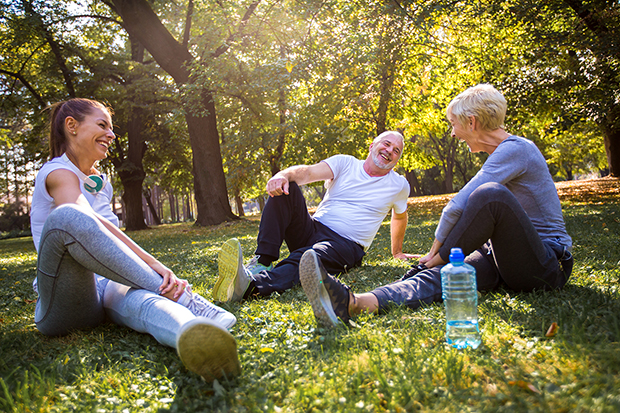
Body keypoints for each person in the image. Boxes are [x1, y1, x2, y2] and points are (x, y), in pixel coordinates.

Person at [299, 84, 574, 328]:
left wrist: (436, 253)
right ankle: (354, 303)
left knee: (490, 195)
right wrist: (436, 263)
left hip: (546, 265)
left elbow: (458, 205)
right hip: (503, 257)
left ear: (472, 122)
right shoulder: (502, 153)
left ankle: (435, 262)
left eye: (453, 123)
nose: (453, 133)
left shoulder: (517, 149)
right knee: (443, 275)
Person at [30, 98, 240, 382]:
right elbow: (91, 223)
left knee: (141, 302)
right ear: (72, 126)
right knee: (68, 216)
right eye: (102, 125)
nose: (112, 135)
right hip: (65, 301)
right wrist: (155, 266)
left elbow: (108, 244)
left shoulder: (100, 180)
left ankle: (193, 332)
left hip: (104, 288)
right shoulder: (57, 173)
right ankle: (187, 300)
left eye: (112, 128)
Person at [212, 131, 414, 303]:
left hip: (346, 245)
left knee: (310, 258)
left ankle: (249, 286)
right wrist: (282, 174)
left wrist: (397, 251)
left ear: (397, 159)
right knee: (287, 186)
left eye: (397, 151)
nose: (390, 151)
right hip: (313, 228)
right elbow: (307, 173)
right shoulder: (345, 163)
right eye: (386, 144)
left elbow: (399, 217)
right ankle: (263, 261)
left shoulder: (399, 185)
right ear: (372, 146)